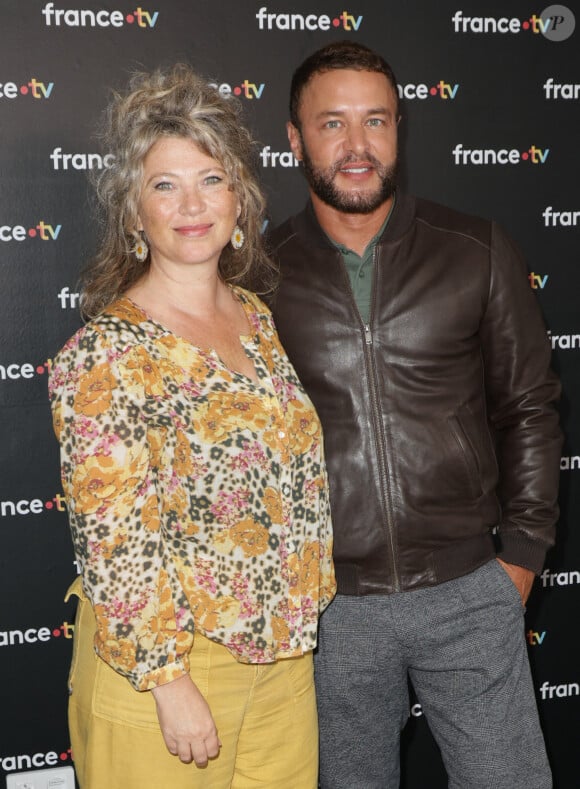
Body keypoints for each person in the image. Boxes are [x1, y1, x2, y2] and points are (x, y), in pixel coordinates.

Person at [268, 40, 562, 789]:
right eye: (333, 124)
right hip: (331, 608)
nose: (358, 146)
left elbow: (529, 406)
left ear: (401, 128)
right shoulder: (256, 276)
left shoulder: (477, 250)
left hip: (470, 587)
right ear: (295, 139)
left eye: (377, 121)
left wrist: (521, 556)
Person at [49, 64, 335, 789]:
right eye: (164, 185)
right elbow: (113, 539)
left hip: (283, 666)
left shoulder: (257, 320)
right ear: (132, 212)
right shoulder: (107, 351)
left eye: (210, 178)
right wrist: (169, 682)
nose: (191, 205)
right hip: (168, 675)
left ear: (239, 197)